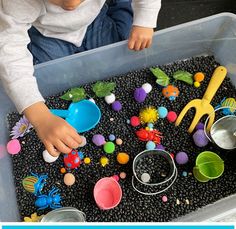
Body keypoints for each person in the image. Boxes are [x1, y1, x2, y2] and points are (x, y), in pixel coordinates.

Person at [0, 0, 161, 155]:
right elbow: (10, 52)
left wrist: (144, 21)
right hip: (48, 33)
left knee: (124, 46)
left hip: (94, 19)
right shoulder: (16, 3)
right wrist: (40, 116)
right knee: (53, 75)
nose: (71, 4)